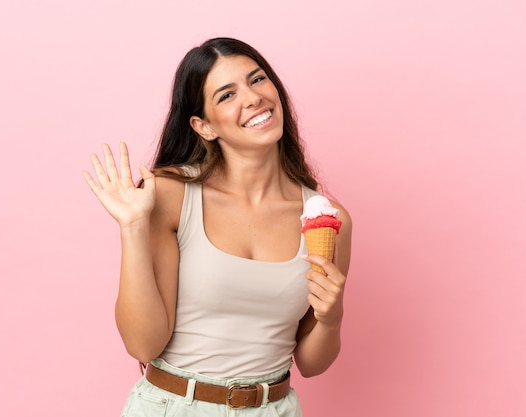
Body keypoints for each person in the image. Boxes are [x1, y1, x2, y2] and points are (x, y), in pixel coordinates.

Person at [83, 37, 352, 417]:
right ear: (203, 126)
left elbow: (312, 363)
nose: (253, 97)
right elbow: (144, 345)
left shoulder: (326, 217)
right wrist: (132, 228)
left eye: (257, 80)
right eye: (227, 95)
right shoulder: (172, 196)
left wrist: (332, 315)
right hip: (174, 407)